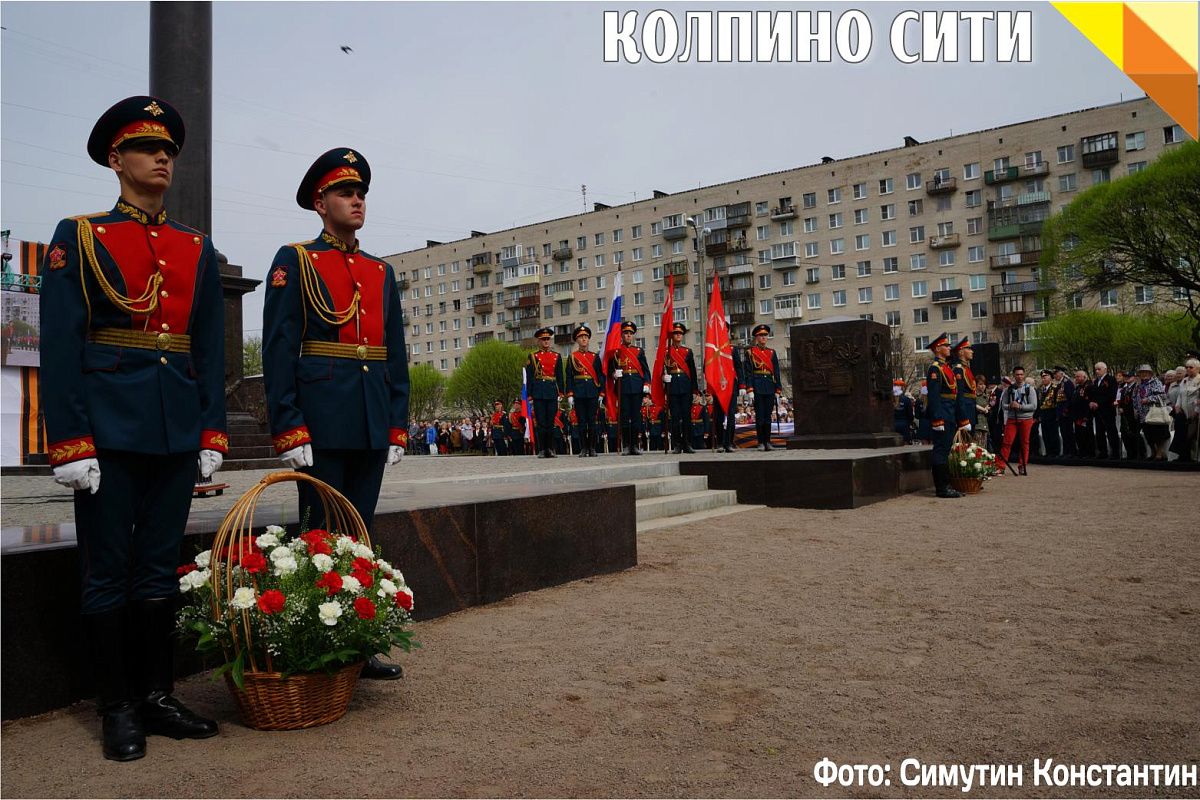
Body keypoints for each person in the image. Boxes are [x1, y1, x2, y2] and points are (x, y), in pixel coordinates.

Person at [40, 96, 227, 761]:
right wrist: (70, 441)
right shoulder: (81, 236)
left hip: (174, 429)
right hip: (108, 431)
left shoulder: (194, 247)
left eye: (168, 150)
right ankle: (116, 707)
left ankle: (156, 696)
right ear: (116, 160)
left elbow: (208, 349)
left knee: (158, 569)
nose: (162, 158)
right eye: (148, 148)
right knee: (107, 571)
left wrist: (211, 432)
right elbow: (62, 344)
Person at [262, 147, 409, 682]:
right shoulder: (297, 260)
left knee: (360, 533)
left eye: (361, 193)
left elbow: (395, 354)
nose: (357, 200)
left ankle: (356, 645)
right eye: (346, 193)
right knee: (321, 534)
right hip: (321, 417)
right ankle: (317, 647)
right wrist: (288, 424)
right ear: (320, 203)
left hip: (370, 415)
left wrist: (397, 424)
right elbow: (280, 349)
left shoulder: (379, 271)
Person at [924, 333, 961, 497]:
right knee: (940, 451)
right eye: (946, 345)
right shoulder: (935, 368)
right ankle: (942, 488)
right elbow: (933, 396)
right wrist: (937, 418)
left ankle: (946, 484)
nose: (949, 348)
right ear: (938, 349)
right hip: (942, 414)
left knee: (946, 450)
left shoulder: (946, 367)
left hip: (949, 413)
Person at [606, 321, 651, 455]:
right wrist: (614, 374)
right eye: (626, 333)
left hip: (637, 386)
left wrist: (646, 384)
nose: (628, 335)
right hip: (623, 387)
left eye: (630, 333)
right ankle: (626, 445)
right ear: (621, 335)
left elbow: (645, 370)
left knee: (636, 417)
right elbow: (609, 369)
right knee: (624, 418)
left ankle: (635, 445)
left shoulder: (639, 351)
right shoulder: (616, 351)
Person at [524, 326, 566, 458]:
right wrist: (530, 395)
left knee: (550, 422)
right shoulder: (533, 356)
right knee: (541, 422)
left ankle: (551, 448)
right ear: (539, 341)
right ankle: (542, 449)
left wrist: (561, 392)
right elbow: (530, 377)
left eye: (548, 339)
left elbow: (560, 376)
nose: (546, 341)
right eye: (543, 339)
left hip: (552, 391)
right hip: (539, 392)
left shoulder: (557, 356)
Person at [564, 323, 604, 457]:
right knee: (581, 422)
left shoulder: (595, 357)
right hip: (579, 392)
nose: (584, 339)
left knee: (592, 421)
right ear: (577, 340)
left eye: (586, 337)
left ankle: (592, 448)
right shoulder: (573, 357)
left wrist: (601, 393)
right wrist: (570, 394)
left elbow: (600, 376)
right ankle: (583, 448)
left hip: (592, 392)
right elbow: (569, 377)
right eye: (581, 337)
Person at [743, 324, 783, 450]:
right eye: (761, 335)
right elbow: (748, 372)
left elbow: (776, 372)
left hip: (769, 386)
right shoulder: (750, 352)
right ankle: (760, 442)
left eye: (765, 335)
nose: (763, 337)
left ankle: (768, 442)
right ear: (756, 337)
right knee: (760, 416)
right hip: (757, 385)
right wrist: (750, 389)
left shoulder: (772, 352)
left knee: (768, 416)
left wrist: (778, 389)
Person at [662, 321, 698, 454]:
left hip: (685, 386)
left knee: (687, 417)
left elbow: (693, 372)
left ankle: (687, 443)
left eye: (680, 333)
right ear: (672, 335)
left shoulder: (688, 351)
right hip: (672, 387)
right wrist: (663, 378)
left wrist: (694, 390)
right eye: (676, 333)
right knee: (675, 418)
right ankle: (677, 444)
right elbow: (660, 369)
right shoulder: (666, 351)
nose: (678, 335)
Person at [996, 366, 1037, 474]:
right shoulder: (1008, 389)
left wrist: (1020, 407)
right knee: (1006, 442)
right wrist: (1010, 405)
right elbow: (1003, 405)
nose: (1019, 376)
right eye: (1017, 374)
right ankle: (1000, 466)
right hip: (1012, 418)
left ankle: (1022, 465)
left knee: (1024, 442)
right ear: (1014, 375)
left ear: (1024, 375)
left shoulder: (1030, 389)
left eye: (1021, 374)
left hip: (1026, 419)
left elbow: (1034, 406)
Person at [1132, 364, 1170, 460]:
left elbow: (1162, 396)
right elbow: (1134, 397)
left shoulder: (1155, 382)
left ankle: (1159, 453)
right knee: (1148, 434)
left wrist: (1148, 399)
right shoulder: (1138, 384)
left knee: (1157, 434)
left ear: (1150, 373)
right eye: (1141, 372)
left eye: (1146, 372)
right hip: (1143, 414)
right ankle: (1153, 452)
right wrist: (1135, 408)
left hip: (1154, 413)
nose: (1144, 374)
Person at [713, 345, 745, 452]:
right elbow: (707, 367)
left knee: (731, 414)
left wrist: (742, 385)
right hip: (718, 384)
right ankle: (720, 443)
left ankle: (729, 442)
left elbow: (738, 367)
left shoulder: (732, 349)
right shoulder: (712, 347)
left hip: (731, 384)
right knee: (719, 415)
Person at [1089, 361, 1120, 459]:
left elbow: (1111, 395)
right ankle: (1103, 452)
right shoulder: (1096, 382)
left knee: (1111, 432)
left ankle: (1115, 453)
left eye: (1099, 369)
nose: (1097, 371)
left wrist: (1099, 403)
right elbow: (1094, 394)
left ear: (1105, 369)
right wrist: (1092, 402)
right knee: (1099, 433)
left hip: (1107, 410)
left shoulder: (1111, 379)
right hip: (1098, 411)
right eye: (1096, 369)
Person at [950, 337, 978, 441]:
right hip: (965, 411)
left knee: (970, 444)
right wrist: (963, 418)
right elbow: (959, 395)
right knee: (963, 444)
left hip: (970, 409)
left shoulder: (966, 368)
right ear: (961, 352)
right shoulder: (959, 370)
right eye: (969, 348)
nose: (972, 351)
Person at [1175, 358, 1200, 461]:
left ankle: (1194, 457)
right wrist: (1177, 405)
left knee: (1192, 435)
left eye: (1191, 367)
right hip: (1183, 412)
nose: (1188, 369)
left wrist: (1197, 411)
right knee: (1182, 434)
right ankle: (1183, 456)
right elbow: (1180, 395)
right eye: (1187, 367)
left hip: (1195, 411)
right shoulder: (1184, 380)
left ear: (1197, 369)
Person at [1068, 370, 1094, 458]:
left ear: (1084, 377)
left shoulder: (1089, 386)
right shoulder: (1078, 387)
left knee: (1086, 434)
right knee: (1079, 435)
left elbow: (1089, 401)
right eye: (1076, 377)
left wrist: (1087, 415)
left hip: (1085, 416)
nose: (1076, 378)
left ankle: (1089, 453)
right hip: (1077, 415)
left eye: (1078, 376)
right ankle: (1082, 452)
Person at [1053, 365, 1076, 457]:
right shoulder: (1059, 384)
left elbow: (1070, 398)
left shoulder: (1067, 383)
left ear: (1061, 373)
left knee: (1069, 432)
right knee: (1063, 433)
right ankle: (1066, 451)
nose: (1055, 375)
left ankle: (1072, 451)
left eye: (1056, 373)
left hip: (1066, 412)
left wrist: (1066, 410)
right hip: (1060, 412)